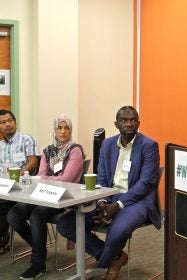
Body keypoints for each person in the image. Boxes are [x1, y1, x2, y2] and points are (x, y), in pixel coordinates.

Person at [57, 105, 160, 280]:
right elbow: (102, 178)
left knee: (117, 230)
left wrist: (118, 206)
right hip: (108, 196)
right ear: (116, 124)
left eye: (133, 120)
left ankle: (102, 265)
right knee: (66, 224)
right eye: (124, 120)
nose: (129, 124)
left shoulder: (149, 145)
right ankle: (116, 258)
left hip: (136, 201)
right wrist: (102, 203)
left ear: (139, 123)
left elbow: (145, 183)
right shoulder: (107, 144)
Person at [7, 114, 84, 279]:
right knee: (14, 214)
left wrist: (48, 179)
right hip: (44, 194)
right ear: (54, 130)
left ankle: (38, 263)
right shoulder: (48, 150)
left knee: (37, 214)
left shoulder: (75, 150)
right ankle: (38, 247)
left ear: (71, 130)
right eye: (59, 127)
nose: (63, 131)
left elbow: (67, 179)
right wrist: (50, 179)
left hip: (66, 196)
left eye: (66, 127)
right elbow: (41, 175)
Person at [0, 109, 40, 254]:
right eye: (3, 122)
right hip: (5, 190)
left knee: (9, 212)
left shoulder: (26, 139)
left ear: (15, 123)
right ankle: (2, 239)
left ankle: (37, 246)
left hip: (24, 189)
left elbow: (33, 162)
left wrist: (17, 175)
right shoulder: (0, 146)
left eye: (10, 121)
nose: (7, 124)